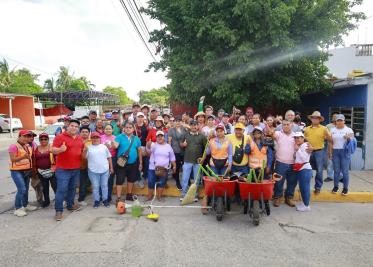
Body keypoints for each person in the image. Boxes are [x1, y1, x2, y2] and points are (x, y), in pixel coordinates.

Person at [52, 119, 84, 221]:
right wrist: (60, 150)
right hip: (63, 170)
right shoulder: (60, 137)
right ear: (68, 126)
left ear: (78, 128)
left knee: (72, 189)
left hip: (76, 168)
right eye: (72, 126)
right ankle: (58, 211)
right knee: (61, 190)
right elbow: (52, 149)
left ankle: (70, 205)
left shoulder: (79, 139)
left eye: (76, 126)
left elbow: (81, 151)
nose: (74, 128)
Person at [8, 130, 37, 217]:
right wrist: (23, 156)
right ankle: (18, 208)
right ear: (19, 136)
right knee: (22, 189)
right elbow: (13, 159)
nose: (26, 138)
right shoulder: (13, 146)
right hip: (16, 171)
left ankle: (25, 205)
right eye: (24, 136)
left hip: (27, 170)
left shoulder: (28, 146)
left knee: (26, 189)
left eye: (27, 137)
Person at [269, 119, 297, 208]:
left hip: (293, 163)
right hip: (280, 162)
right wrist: (271, 131)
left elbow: (304, 143)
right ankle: (277, 197)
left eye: (287, 124)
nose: (286, 126)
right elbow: (272, 135)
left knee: (292, 182)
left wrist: (310, 147)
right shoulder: (278, 134)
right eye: (284, 124)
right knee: (278, 182)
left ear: (291, 125)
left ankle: (289, 197)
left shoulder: (296, 135)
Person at [113, 122, 142, 203]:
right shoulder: (119, 137)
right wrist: (112, 144)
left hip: (133, 163)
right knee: (119, 180)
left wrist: (141, 163)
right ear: (124, 128)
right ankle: (118, 197)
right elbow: (115, 145)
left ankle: (129, 195)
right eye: (126, 127)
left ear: (133, 129)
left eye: (130, 127)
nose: (128, 129)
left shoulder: (136, 138)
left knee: (131, 180)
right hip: (121, 163)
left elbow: (139, 151)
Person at [304, 111, 331, 194]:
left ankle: (318, 187)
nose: (315, 119)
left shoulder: (324, 128)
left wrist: (328, 135)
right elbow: (303, 140)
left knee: (319, 170)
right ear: (311, 119)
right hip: (308, 151)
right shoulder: (307, 129)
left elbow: (330, 140)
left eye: (317, 118)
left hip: (319, 151)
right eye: (313, 118)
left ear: (319, 119)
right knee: (306, 170)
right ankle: (305, 187)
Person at [84, 132, 113, 208]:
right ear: (91, 139)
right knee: (96, 186)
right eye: (94, 137)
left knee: (104, 186)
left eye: (97, 137)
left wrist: (111, 167)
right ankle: (97, 201)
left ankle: (105, 200)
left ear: (99, 138)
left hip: (105, 170)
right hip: (93, 171)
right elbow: (84, 157)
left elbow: (109, 157)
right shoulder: (88, 147)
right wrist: (84, 150)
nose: (95, 139)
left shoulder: (104, 147)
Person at [180, 120, 207, 201]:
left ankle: (194, 195)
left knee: (196, 179)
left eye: (195, 125)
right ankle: (184, 194)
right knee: (185, 178)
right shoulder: (185, 135)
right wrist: (183, 145)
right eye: (192, 125)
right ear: (190, 126)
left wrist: (203, 158)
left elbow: (206, 148)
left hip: (197, 161)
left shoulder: (202, 136)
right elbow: (180, 144)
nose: (194, 127)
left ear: (197, 126)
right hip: (187, 160)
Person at [329, 114, 355, 196]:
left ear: (344, 121)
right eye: (338, 120)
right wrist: (330, 152)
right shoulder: (332, 130)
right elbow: (330, 142)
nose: (339, 122)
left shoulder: (349, 129)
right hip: (335, 151)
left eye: (341, 120)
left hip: (345, 152)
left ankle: (345, 188)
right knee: (336, 171)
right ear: (335, 121)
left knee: (345, 171)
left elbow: (353, 139)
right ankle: (336, 187)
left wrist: (348, 137)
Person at [147, 131, 176, 201]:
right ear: (156, 138)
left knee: (162, 182)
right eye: (158, 136)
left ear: (164, 137)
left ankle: (159, 197)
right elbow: (148, 152)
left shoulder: (168, 146)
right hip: (152, 167)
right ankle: (149, 197)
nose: (160, 137)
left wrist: (174, 166)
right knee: (151, 181)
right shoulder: (153, 145)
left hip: (164, 168)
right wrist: (148, 146)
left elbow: (172, 158)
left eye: (161, 136)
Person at [34, 133, 56, 208]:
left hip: (52, 170)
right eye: (41, 139)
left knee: (55, 186)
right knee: (44, 187)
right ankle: (47, 201)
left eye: (45, 139)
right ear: (39, 140)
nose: (43, 140)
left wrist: (56, 167)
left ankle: (59, 200)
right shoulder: (36, 148)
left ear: (48, 139)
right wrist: (35, 170)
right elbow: (34, 159)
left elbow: (57, 157)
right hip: (41, 171)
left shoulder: (52, 147)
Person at [293, 132, 313, 212]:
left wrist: (298, 150)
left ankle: (306, 206)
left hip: (305, 169)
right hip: (302, 169)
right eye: (295, 138)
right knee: (302, 188)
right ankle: (304, 203)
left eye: (299, 138)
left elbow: (304, 159)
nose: (297, 139)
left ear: (303, 138)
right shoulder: (301, 145)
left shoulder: (305, 145)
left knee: (305, 188)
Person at [168, 116, 186, 190]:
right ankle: (177, 181)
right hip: (175, 150)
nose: (178, 122)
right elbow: (169, 141)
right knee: (177, 167)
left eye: (179, 121)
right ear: (174, 122)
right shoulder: (171, 130)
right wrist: (169, 151)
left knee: (185, 166)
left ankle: (186, 181)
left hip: (184, 150)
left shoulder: (184, 129)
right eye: (176, 121)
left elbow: (187, 136)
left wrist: (185, 125)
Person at [101, 124, 117, 202]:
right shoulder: (101, 137)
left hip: (112, 159)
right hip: (102, 159)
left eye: (110, 129)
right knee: (102, 178)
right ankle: (101, 195)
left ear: (112, 130)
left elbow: (116, 148)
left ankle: (108, 196)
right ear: (104, 130)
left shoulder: (115, 138)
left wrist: (112, 145)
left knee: (110, 179)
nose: (108, 130)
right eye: (106, 129)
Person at [134, 112, 149, 187]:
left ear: (144, 118)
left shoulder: (146, 126)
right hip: (136, 148)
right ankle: (138, 179)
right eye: (138, 117)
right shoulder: (133, 126)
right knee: (137, 164)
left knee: (146, 163)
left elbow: (148, 136)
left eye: (141, 117)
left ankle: (144, 177)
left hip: (144, 147)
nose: (140, 118)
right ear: (136, 118)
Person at [77, 126, 91, 206]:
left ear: (89, 133)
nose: (85, 133)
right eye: (83, 132)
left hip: (90, 166)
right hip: (79, 165)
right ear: (80, 133)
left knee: (86, 182)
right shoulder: (77, 141)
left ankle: (83, 196)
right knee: (81, 182)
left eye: (86, 132)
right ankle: (81, 199)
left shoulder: (92, 141)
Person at [324, 112, 338, 182]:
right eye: (333, 117)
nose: (335, 118)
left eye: (336, 117)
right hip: (330, 146)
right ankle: (330, 176)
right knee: (330, 161)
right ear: (332, 118)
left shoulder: (341, 126)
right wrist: (329, 137)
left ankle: (339, 177)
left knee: (339, 162)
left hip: (339, 147)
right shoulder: (328, 126)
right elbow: (324, 136)